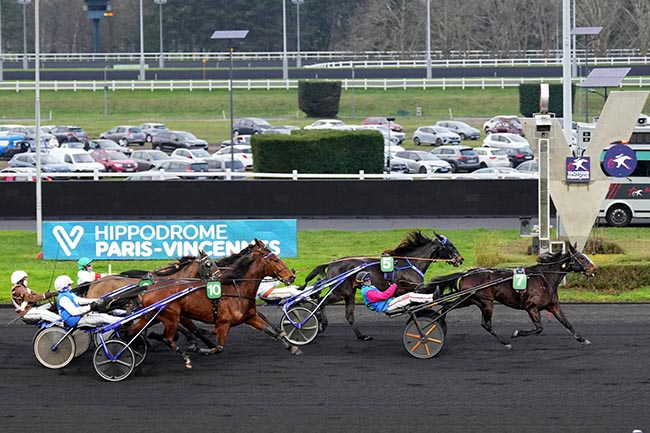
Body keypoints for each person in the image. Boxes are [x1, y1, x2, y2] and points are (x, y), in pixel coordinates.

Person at [54, 275, 121, 328]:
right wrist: (90, 307)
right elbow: (75, 312)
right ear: (64, 287)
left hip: (80, 317)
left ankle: (121, 318)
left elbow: (80, 300)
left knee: (101, 313)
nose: (70, 286)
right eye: (69, 285)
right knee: (101, 317)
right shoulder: (63, 299)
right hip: (76, 321)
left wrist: (97, 300)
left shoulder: (68, 294)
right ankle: (121, 322)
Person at [356, 271, 434, 313]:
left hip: (387, 302)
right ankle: (431, 298)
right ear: (362, 282)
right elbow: (384, 296)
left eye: (369, 278)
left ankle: (427, 298)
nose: (369, 280)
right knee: (410, 296)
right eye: (366, 279)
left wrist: (392, 286)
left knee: (409, 295)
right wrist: (394, 285)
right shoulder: (367, 291)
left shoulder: (370, 287)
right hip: (386, 306)